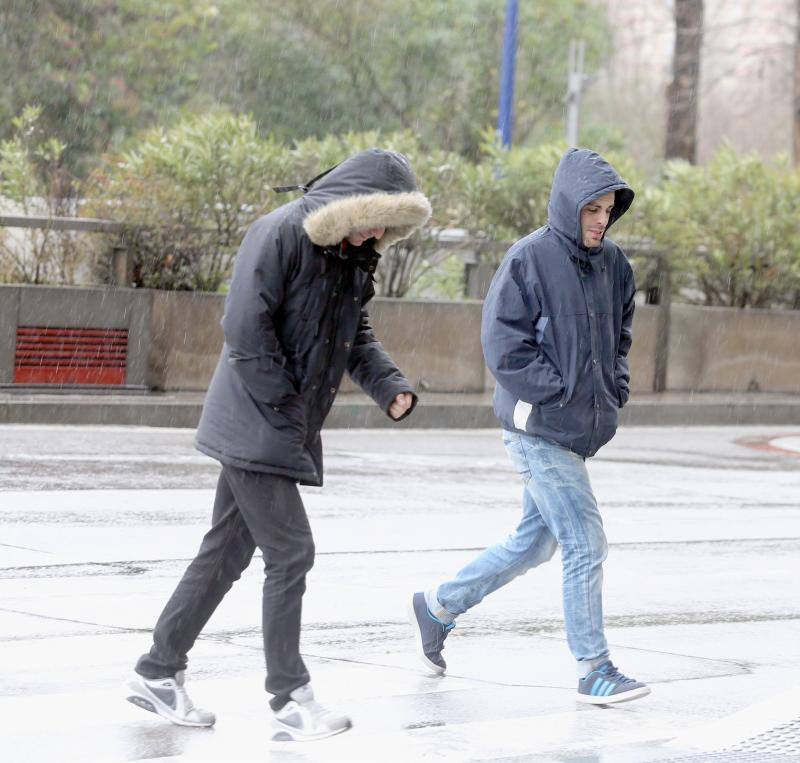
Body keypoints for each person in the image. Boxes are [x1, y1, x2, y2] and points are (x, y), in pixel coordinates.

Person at [127, 148, 431, 740]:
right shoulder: (280, 233)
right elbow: (244, 331)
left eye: (390, 223)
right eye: (376, 216)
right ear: (353, 205)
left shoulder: (353, 257)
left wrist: (390, 386)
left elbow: (354, 335)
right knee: (291, 553)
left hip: (280, 422)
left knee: (226, 552)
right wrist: (287, 409)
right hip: (257, 415)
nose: (379, 232)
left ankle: (158, 671)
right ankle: (289, 697)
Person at [409, 148, 650, 705]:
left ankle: (438, 605)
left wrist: (613, 388)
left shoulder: (616, 266)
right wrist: (561, 392)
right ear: (569, 205)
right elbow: (503, 346)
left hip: (577, 428)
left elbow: (621, 339)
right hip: (536, 428)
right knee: (585, 542)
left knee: (535, 542)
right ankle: (594, 668)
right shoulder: (529, 259)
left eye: (608, 209)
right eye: (591, 208)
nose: (600, 219)